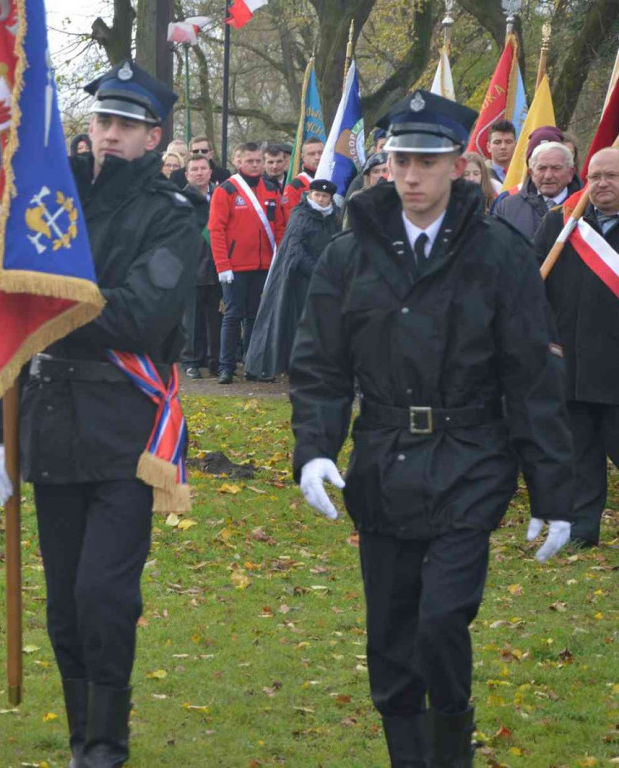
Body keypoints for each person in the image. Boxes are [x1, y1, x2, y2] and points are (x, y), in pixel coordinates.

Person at [290, 90, 574, 767]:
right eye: (398, 161)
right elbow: (320, 363)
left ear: (457, 164)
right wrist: (314, 449)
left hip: (470, 457)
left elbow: (530, 376)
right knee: (391, 636)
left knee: (442, 620)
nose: (410, 176)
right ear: (383, 164)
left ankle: (450, 746)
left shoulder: (498, 254)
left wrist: (554, 488)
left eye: (426, 161)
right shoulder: (350, 252)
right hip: (385, 461)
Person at [0, 60, 199, 768]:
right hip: (46, 423)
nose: (109, 135)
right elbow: (6, 317)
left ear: (153, 136)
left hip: (122, 429)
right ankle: (84, 740)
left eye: (126, 126)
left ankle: (107, 745)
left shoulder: (171, 216)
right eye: (102, 121)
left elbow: (140, 315)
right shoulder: (54, 196)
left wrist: (50, 294)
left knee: (104, 597)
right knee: (64, 606)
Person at [533, 146, 619, 547]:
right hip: (571, 362)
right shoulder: (561, 226)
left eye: (612, 176)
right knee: (580, 454)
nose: (602, 184)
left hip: (615, 364)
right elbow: (533, 287)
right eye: (596, 176)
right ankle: (583, 532)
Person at [208, 141, 286, 384]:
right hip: (234, 268)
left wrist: (278, 261)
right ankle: (226, 367)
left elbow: (280, 227)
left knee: (254, 317)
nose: (255, 165)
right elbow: (216, 229)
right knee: (232, 316)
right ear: (237, 161)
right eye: (249, 160)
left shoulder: (272, 188)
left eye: (258, 160)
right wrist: (222, 265)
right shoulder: (227, 190)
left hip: (263, 266)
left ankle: (253, 366)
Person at [246, 178, 340, 380]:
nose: (321, 199)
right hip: (297, 279)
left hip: (324, 280)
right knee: (293, 322)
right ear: (310, 195)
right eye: (317, 195)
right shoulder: (300, 215)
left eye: (325, 196)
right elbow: (295, 250)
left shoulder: (335, 217)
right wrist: (317, 270)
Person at [180, 154, 221, 379]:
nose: (199, 172)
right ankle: (191, 361)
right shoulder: (180, 199)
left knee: (215, 316)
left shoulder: (219, 195)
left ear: (210, 171)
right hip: (192, 265)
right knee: (192, 318)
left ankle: (214, 359)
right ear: (187, 174)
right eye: (194, 169)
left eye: (202, 168)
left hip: (217, 265)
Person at [494, 141, 580, 240]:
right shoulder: (507, 207)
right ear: (531, 173)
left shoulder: (586, 207)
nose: (548, 176)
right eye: (542, 168)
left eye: (556, 168)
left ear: (570, 173)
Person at [284, 136, 324, 212]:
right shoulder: (295, 186)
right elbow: (292, 219)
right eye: (312, 154)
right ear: (303, 157)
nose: (317, 157)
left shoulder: (333, 178)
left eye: (320, 153)